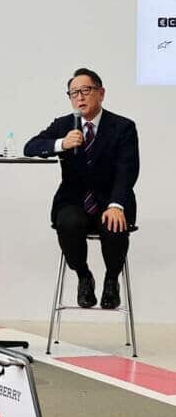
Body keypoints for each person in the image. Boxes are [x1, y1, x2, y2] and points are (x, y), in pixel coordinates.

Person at [23, 68, 139, 310]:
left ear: (101, 93)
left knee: (114, 225)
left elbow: (127, 169)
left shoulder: (123, 127)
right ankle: (84, 277)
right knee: (68, 222)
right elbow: (30, 147)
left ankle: (111, 281)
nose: (80, 97)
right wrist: (61, 143)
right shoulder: (64, 124)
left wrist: (116, 204)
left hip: (111, 201)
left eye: (86, 90)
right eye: (74, 93)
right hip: (73, 202)